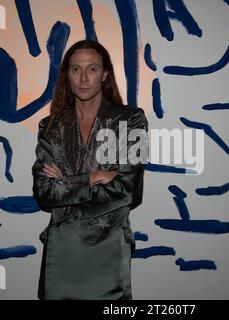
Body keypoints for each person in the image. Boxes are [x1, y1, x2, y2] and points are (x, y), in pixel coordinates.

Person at [32, 39, 148, 300]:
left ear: (105, 73)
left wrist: (67, 184)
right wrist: (93, 178)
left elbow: (129, 191)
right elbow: (43, 192)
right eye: (75, 69)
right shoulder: (50, 126)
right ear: (67, 75)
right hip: (62, 252)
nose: (83, 78)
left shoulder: (132, 119)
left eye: (92, 69)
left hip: (109, 249)